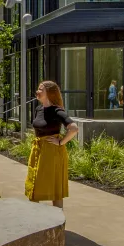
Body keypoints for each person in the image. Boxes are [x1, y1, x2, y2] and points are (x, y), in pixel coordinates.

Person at [27, 80, 78, 209]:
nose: (37, 92)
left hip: (52, 152)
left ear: (49, 93)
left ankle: (57, 221)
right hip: (38, 149)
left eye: (40, 89)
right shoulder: (38, 109)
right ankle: (33, 219)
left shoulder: (57, 111)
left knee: (55, 189)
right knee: (34, 184)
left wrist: (61, 142)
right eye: (38, 89)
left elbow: (74, 128)